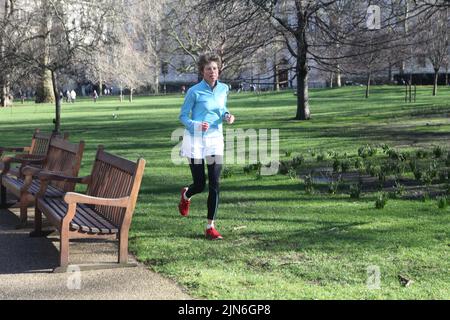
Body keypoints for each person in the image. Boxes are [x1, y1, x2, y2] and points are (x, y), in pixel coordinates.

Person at [178, 54, 235, 240]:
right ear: (202, 71)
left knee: (215, 183)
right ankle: (187, 194)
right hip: (195, 141)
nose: (213, 72)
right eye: (209, 69)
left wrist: (227, 116)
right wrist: (196, 124)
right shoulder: (194, 91)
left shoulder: (224, 89)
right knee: (200, 184)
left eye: (215, 68)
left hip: (215, 140)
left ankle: (210, 226)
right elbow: (183, 116)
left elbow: (222, 108)